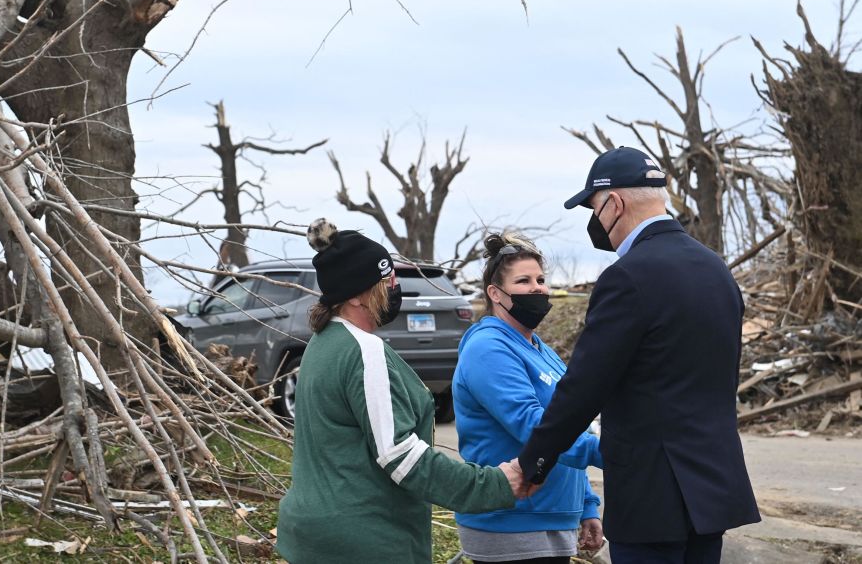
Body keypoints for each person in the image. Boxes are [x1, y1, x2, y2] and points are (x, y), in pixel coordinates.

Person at [511, 147, 759, 564]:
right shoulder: (715, 269)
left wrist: (533, 463)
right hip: (713, 489)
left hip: (652, 498)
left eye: (593, 208)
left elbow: (585, 387)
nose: (595, 221)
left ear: (614, 203)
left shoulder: (627, 277)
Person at [277, 218, 518, 564]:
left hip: (312, 535)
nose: (394, 286)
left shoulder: (322, 342)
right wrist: (493, 485)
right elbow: (402, 458)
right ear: (359, 294)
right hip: (365, 542)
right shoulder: (364, 351)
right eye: (387, 279)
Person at [453, 232, 604, 564]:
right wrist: (611, 451)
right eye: (523, 281)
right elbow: (533, 425)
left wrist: (587, 504)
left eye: (540, 279)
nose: (537, 288)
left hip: (553, 515)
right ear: (496, 293)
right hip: (510, 520)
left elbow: (570, 421)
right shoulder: (488, 348)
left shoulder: (541, 350)